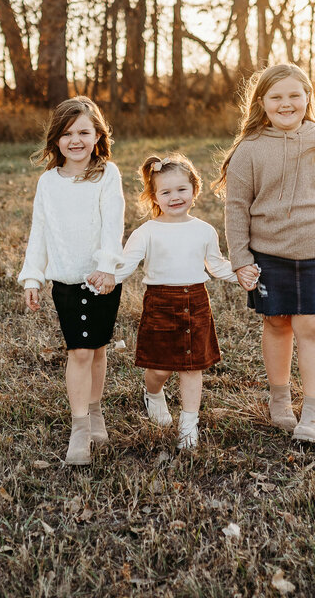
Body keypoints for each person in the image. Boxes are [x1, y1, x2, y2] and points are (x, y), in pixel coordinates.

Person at [214, 64, 315, 443]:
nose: (286, 103)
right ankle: (280, 400)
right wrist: (241, 258)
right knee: (277, 324)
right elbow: (236, 208)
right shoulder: (250, 149)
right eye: (276, 97)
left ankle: (313, 409)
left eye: (295, 95)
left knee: (312, 327)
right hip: (268, 255)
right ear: (261, 102)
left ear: (308, 98)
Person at [114, 153, 250, 450]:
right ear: (154, 197)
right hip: (161, 303)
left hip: (196, 302)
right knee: (160, 368)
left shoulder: (203, 230)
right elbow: (125, 265)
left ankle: (189, 425)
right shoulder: (146, 231)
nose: (174, 197)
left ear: (194, 190)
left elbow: (216, 265)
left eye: (181, 190)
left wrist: (242, 274)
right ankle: (153, 394)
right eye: (165, 192)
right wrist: (106, 279)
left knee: (192, 367)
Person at [19, 97, 124, 466]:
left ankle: (95, 412)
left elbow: (114, 223)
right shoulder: (48, 182)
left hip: (103, 277)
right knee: (78, 351)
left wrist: (109, 265)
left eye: (83, 132)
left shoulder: (107, 174)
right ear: (56, 140)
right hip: (66, 279)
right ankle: (80, 426)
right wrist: (32, 275)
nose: (75, 140)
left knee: (96, 349)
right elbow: (40, 230)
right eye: (67, 133)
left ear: (97, 135)